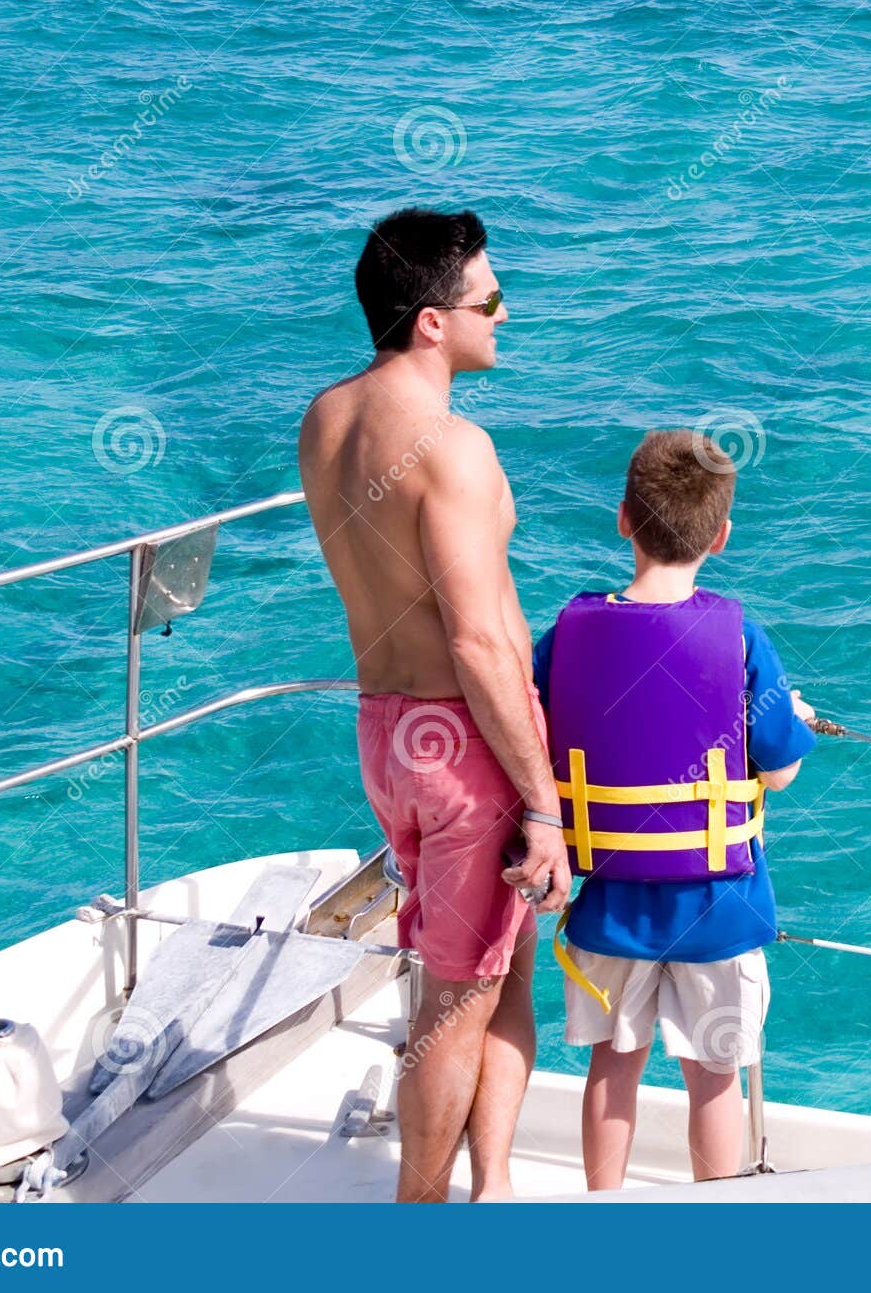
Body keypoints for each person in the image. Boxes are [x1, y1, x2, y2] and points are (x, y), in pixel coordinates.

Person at [297, 207, 570, 1203]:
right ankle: (418, 1221)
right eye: (489, 301)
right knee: (453, 1005)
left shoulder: (326, 420)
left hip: (388, 731)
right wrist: (542, 804)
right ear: (431, 322)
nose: (505, 315)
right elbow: (478, 640)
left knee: (497, 969)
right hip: (468, 749)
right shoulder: (454, 449)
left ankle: (491, 1187)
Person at [530, 428, 815, 1188]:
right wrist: (792, 716)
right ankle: (712, 1219)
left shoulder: (565, 637)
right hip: (718, 906)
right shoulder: (742, 640)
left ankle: (603, 1210)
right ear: (721, 536)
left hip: (610, 903)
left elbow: (538, 735)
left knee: (612, 1065)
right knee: (714, 1078)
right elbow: (780, 772)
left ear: (624, 519)